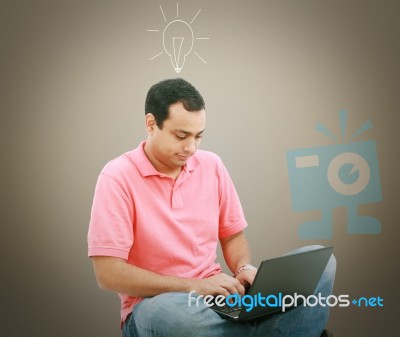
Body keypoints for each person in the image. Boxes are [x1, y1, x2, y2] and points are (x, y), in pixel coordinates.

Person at [87, 78, 336, 337]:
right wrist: (195, 287)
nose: (191, 148)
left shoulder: (212, 165)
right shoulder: (116, 177)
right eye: (181, 136)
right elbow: (108, 273)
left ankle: (256, 328)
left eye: (198, 136)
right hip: (158, 304)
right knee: (167, 315)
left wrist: (242, 268)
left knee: (322, 261)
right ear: (151, 124)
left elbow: (233, 236)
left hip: (220, 295)